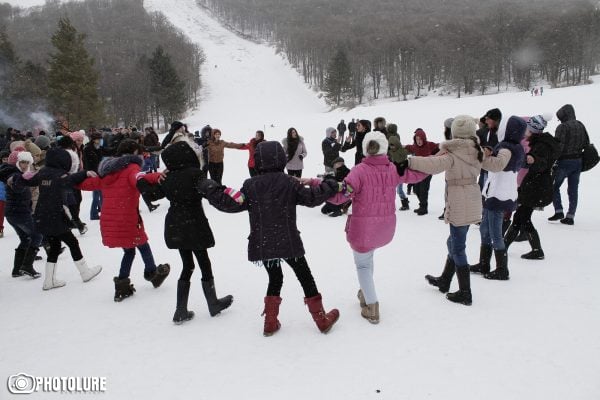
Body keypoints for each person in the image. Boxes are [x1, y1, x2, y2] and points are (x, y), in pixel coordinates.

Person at [200, 140, 340, 336]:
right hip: (288, 242)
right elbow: (311, 198)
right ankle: (321, 320)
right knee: (305, 277)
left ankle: (270, 322)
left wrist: (210, 188)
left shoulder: (251, 185)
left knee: (275, 277)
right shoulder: (289, 182)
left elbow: (230, 204)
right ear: (281, 159)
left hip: (264, 244)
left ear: (258, 161)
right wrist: (330, 184)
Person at [137, 142, 233, 324]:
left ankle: (180, 310)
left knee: (187, 265)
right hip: (194, 222)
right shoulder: (194, 173)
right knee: (204, 263)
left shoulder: (168, 177)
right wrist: (218, 190)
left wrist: (142, 179)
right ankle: (213, 303)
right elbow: (205, 186)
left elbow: (152, 194)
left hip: (176, 224)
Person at [344, 131, 427, 322]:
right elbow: (416, 176)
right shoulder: (392, 169)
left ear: (366, 148)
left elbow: (343, 192)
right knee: (369, 258)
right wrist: (431, 163)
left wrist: (320, 188)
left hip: (363, 228)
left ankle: (371, 307)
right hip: (384, 227)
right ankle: (366, 292)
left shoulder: (359, 170)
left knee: (363, 265)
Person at [78, 139, 170, 302]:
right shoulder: (132, 167)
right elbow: (139, 178)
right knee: (142, 244)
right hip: (127, 218)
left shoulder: (109, 170)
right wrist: (158, 176)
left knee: (130, 250)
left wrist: (73, 180)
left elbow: (92, 183)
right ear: (134, 152)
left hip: (110, 219)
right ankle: (152, 274)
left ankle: (122, 284)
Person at [409, 116, 483, 306]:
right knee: (454, 241)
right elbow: (496, 164)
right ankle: (445, 280)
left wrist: (410, 161)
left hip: (459, 200)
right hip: (473, 197)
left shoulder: (454, 152)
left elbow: (433, 165)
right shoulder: (477, 149)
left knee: (457, 247)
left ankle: (465, 293)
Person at [16, 147, 102, 290]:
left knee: (55, 246)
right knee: (73, 242)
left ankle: (49, 281)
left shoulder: (42, 173)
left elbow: (30, 180)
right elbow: (70, 180)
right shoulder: (59, 174)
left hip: (42, 216)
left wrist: (16, 178)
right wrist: (85, 173)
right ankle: (85, 272)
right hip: (55, 216)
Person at [470, 116, 526, 281]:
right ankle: (484, 263)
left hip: (499, 194)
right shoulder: (513, 146)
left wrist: (480, 158)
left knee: (495, 233)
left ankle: (502, 269)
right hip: (496, 192)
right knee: (485, 229)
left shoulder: (507, 148)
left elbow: (497, 165)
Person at [504, 115, 560, 260]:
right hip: (536, 185)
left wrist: (532, 159)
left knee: (523, 217)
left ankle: (535, 250)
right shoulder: (543, 142)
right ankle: (505, 247)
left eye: (527, 129)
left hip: (536, 186)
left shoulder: (541, 145)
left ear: (533, 130)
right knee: (521, 217)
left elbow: (541, 162)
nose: (525, 132)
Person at [0, 149, 42, 278]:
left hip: (15, 213)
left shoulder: (18, 173)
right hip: (18, 213)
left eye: (27, 162)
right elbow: (16, 186)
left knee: (26, 239)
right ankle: (27, 266)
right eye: (22, 162)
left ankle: (17, 269)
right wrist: (22, 178)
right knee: (37, 235)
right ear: (17, 162)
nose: (25, 165)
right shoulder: (14, 175)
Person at [548, 104, 589, 225]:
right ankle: (570, 216)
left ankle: (559, 210)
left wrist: (552, 160)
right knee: (573, 189)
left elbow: (558, 147)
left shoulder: (562, 127)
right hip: (578, 161)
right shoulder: (580, 125)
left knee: (554, 187)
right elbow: (586, 142)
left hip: (564, 162)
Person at [404, 128, 438, 215]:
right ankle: (421, 205)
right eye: (417, 139)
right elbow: (408, 147)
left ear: (424, 138)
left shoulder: (429, 145)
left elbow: (439, 147)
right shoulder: (414, 147)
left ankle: (424, 208)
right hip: (418, 172)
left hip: (427, 171)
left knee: (423, 189)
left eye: (420, 139)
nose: (419, 141)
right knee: (416, 189)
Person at [386, 123, 410, 211]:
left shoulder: (389, 137)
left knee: (398, 189)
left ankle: (405, 203)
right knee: (397, 188)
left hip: (396, 165)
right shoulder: (397, 137)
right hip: (393, 164)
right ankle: (405, 202)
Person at [82, 132, 106, 220]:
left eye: (100, 139)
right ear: (94, 140)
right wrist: (90, 173)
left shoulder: (98, 147)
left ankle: (99, 212)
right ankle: (94, 214)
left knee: (100, 194)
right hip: (93, 174)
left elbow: (106, 152)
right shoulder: (88, 149)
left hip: (99, 173)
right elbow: (87, 163)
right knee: (98, 194)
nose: (100, 140)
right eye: (98, 139)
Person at [0, 149, 8, 238]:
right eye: (4, 159)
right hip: (1, 194)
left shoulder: (13, 168)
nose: (5, 161)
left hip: (8, 195)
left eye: (7, 159)